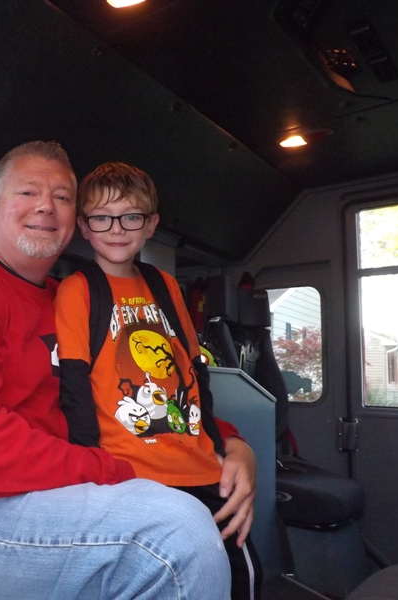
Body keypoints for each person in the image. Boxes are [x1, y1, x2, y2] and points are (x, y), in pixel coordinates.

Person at [0, 141, 231, 599]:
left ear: (74, 220)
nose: (46, 205)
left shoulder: (71, 298)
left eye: (62, 196)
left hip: (37, 494)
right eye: (28, 192)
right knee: (176, 535)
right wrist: (117, 471)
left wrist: (230, 443)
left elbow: (142, 387)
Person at [55, 162, 262, 599]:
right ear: (84, 227)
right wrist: (90, 479)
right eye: (102, 217)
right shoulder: (78, 289)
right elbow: (74, 389)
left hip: (201, 467)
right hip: (131, 473)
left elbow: (195, 373)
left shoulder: (166, 286)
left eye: (131, 217)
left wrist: (221, 445)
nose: (117, 228)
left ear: (150, 225)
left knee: (242, 575)